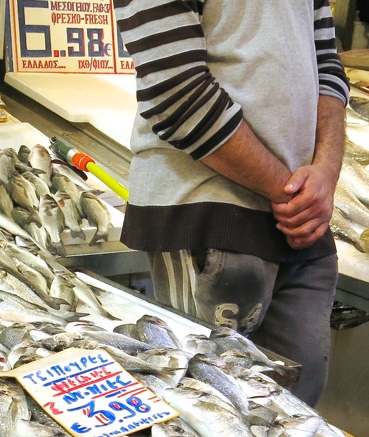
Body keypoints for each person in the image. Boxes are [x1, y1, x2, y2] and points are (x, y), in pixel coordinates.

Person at [111, 0, 349, 405]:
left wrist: (325, 172)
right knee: (208, 415)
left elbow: (326, 63)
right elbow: (175, 91)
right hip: (207, 212)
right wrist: (288, 193)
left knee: (299, 421)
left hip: (303, 222)